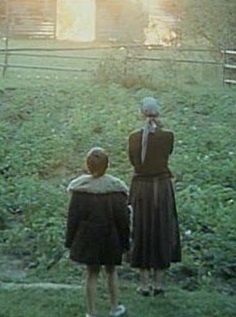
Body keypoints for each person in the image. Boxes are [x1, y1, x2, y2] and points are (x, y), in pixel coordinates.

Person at [65, 147, 129, 317]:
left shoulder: (80, 189)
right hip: (111, 237)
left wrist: (70, 241)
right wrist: (125, 242)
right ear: (107, 165)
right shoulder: (116, 188)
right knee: (111, 271)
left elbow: (73, 218)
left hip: (88, 237)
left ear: (87, 165)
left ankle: (91, 312)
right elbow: (123, 219)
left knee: (91, 273)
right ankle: (115, 308)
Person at [128, 97, 181, 296]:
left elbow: (134, 161)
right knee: (161, 230)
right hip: (162, 188)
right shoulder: (168, 136)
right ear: (158, 113)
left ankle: (144, 284)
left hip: (141, 188)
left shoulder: (134, 137)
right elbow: (166, 154)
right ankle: (159, 284)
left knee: (141, 230)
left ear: (141, 113)